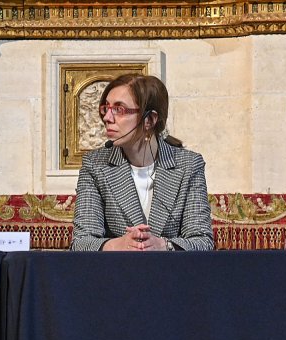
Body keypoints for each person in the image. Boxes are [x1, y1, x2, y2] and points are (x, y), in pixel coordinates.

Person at [70, 74, 212, 252]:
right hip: (116, 274)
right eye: (106, 108)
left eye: (119, 110)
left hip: (171, 275)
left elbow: (202, 242)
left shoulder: (189, 165)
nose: (107, 117)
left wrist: (163, 245)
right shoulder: (95, 165)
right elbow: (81, 242)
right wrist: (116, 245)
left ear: (149, 120)